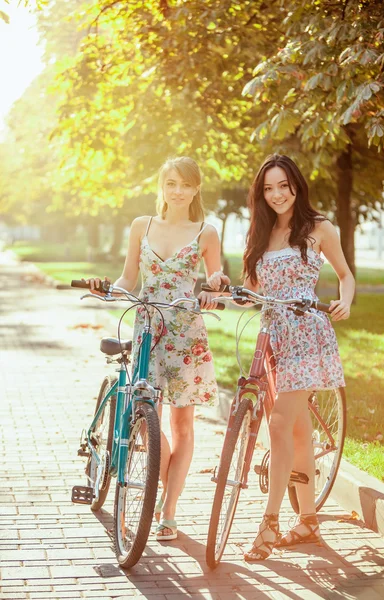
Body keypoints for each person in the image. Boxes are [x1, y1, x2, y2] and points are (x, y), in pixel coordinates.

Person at [207, 153, 355, 561]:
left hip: (308, 334)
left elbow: (345, 274)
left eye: (282, 186)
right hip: (273, 338)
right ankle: (308, 520)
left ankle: (270, 521)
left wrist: (345, 301)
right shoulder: (261, 233)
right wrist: (222, 287)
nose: (276, 194)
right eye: (268, 188)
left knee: (278, 423)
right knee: (296, 430)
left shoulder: (319, 227)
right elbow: (252, 293)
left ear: (296, 185)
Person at [86, 156, 224, 541]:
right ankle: (157, 489)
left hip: (185, 333)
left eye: (185, 185)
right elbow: (129, 277)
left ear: (196, 189)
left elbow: (213, 280)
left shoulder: (206, 231)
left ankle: (169, 508)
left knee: (182, 424)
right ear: (161, 186)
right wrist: (107, 288)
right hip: (147, 327)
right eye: (171, 183)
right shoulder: (141, 226)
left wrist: (214, 289)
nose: (177, 191)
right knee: (148, 422)